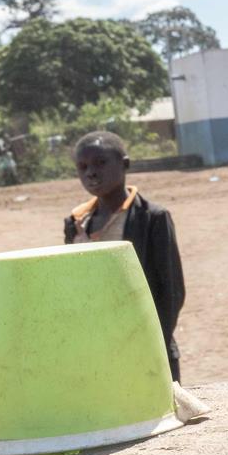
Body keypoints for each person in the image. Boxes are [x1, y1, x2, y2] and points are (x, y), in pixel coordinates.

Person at [62, 131, 185, 380]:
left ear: (125, 164)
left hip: (146, 343)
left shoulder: (151, 218)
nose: (91, 173)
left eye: (101, 163)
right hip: (96, 345)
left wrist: (153, 343)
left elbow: (171, 290)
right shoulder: (76, 223)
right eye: (82, 167)